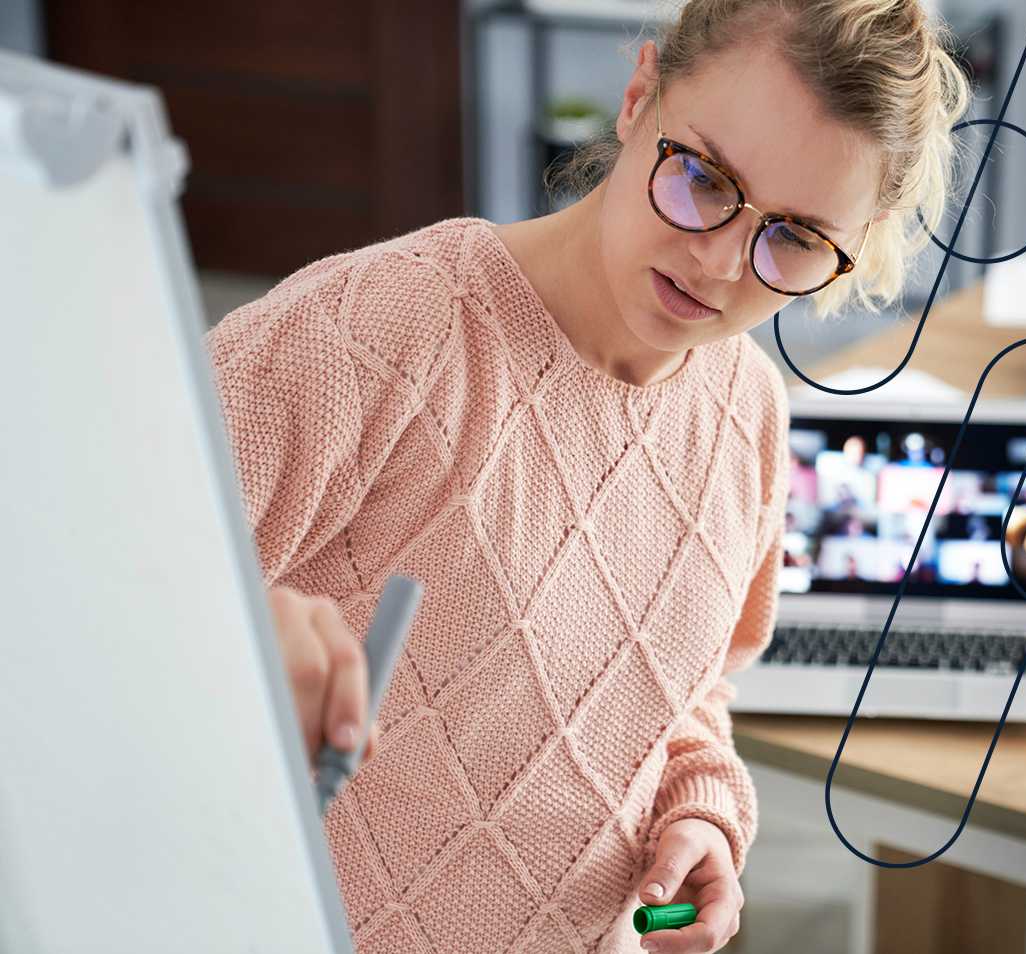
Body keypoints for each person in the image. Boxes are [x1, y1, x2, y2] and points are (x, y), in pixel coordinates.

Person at [203, 2, 969, 951]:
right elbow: (75, 582)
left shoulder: (748, 418)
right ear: (639, 95)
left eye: (797, 239)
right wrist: (218, 634)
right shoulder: (369, 334)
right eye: (703, 177)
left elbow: (681, 691)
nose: (721, 262)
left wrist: (700, 812)